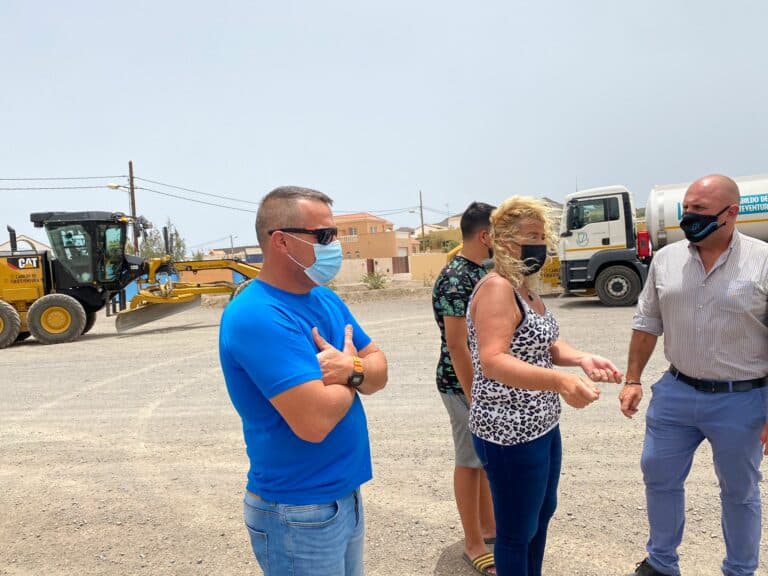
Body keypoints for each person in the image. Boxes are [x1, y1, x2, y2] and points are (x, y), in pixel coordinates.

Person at [219, 186, 388, 576]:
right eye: (325, 235)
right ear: (281, 241)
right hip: (297, 511)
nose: (335, 245)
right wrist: (355, 374)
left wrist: (349, 370)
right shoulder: (257, 315)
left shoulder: (324, 299)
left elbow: (379, 369)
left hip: (343, 495)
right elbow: (314, 422)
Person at [619, 174, 768, 576]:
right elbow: (647, 321)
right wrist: (633, 379)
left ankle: (739, 570)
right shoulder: (666, 259)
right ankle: (661, 563)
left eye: (699, 210)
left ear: (731, 213)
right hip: (677, 393)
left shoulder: (763, 261)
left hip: (743, 400)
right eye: (686, 208)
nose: (688, 217)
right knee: (659, 476)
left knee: (739, 493)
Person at [467, 196, 622, 576]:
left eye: (543, 235)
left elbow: (546, 344)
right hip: (508, 430)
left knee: (541, 513)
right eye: (531, 235)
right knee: (517, 531)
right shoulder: (497, 288)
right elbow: (493, 360)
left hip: (540, 424)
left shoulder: (526, 289)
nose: (541, 244)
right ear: (502, 241)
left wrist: (582, 358)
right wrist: (562, 382)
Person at [432, 202, 497, 575]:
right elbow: (457, 344)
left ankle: (488, 527)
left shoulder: (477, 272)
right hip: (460, 384)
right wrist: (475, 395)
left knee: (482, 459)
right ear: (485, 236)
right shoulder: (458, 277)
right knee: (469, 461)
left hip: (477, 384)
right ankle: (473, 544)